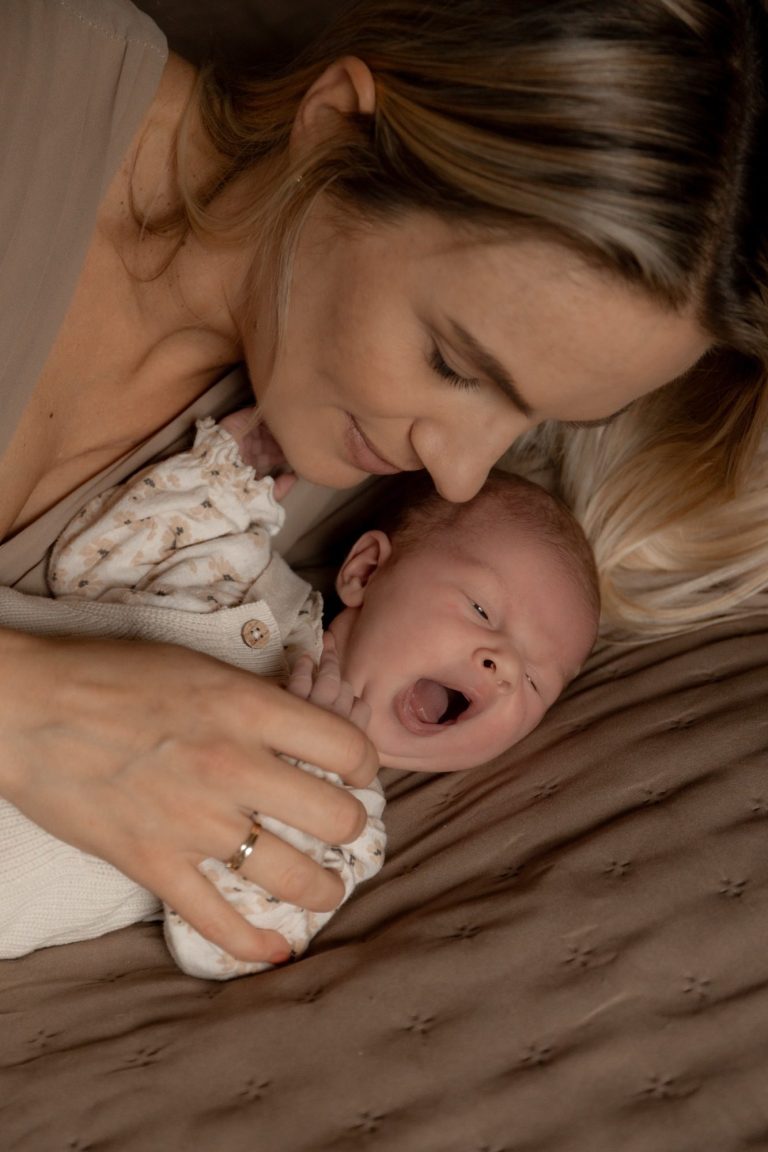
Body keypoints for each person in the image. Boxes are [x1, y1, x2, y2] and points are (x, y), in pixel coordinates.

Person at [1, 0, 766, 967]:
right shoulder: (26, 85)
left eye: (530, 418)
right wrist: (36, 707)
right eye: (454, 363)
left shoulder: (348, 497)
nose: (456, 468)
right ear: (334, 129)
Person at [0, 413, 598, 976]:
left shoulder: (349, 831)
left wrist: (304, 770)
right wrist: (227, 478)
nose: (502, 666)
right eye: (481, 609)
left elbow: (225, 946)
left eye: (536, 680)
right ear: (365, 573)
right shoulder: (243, 583)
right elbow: (88, 562)